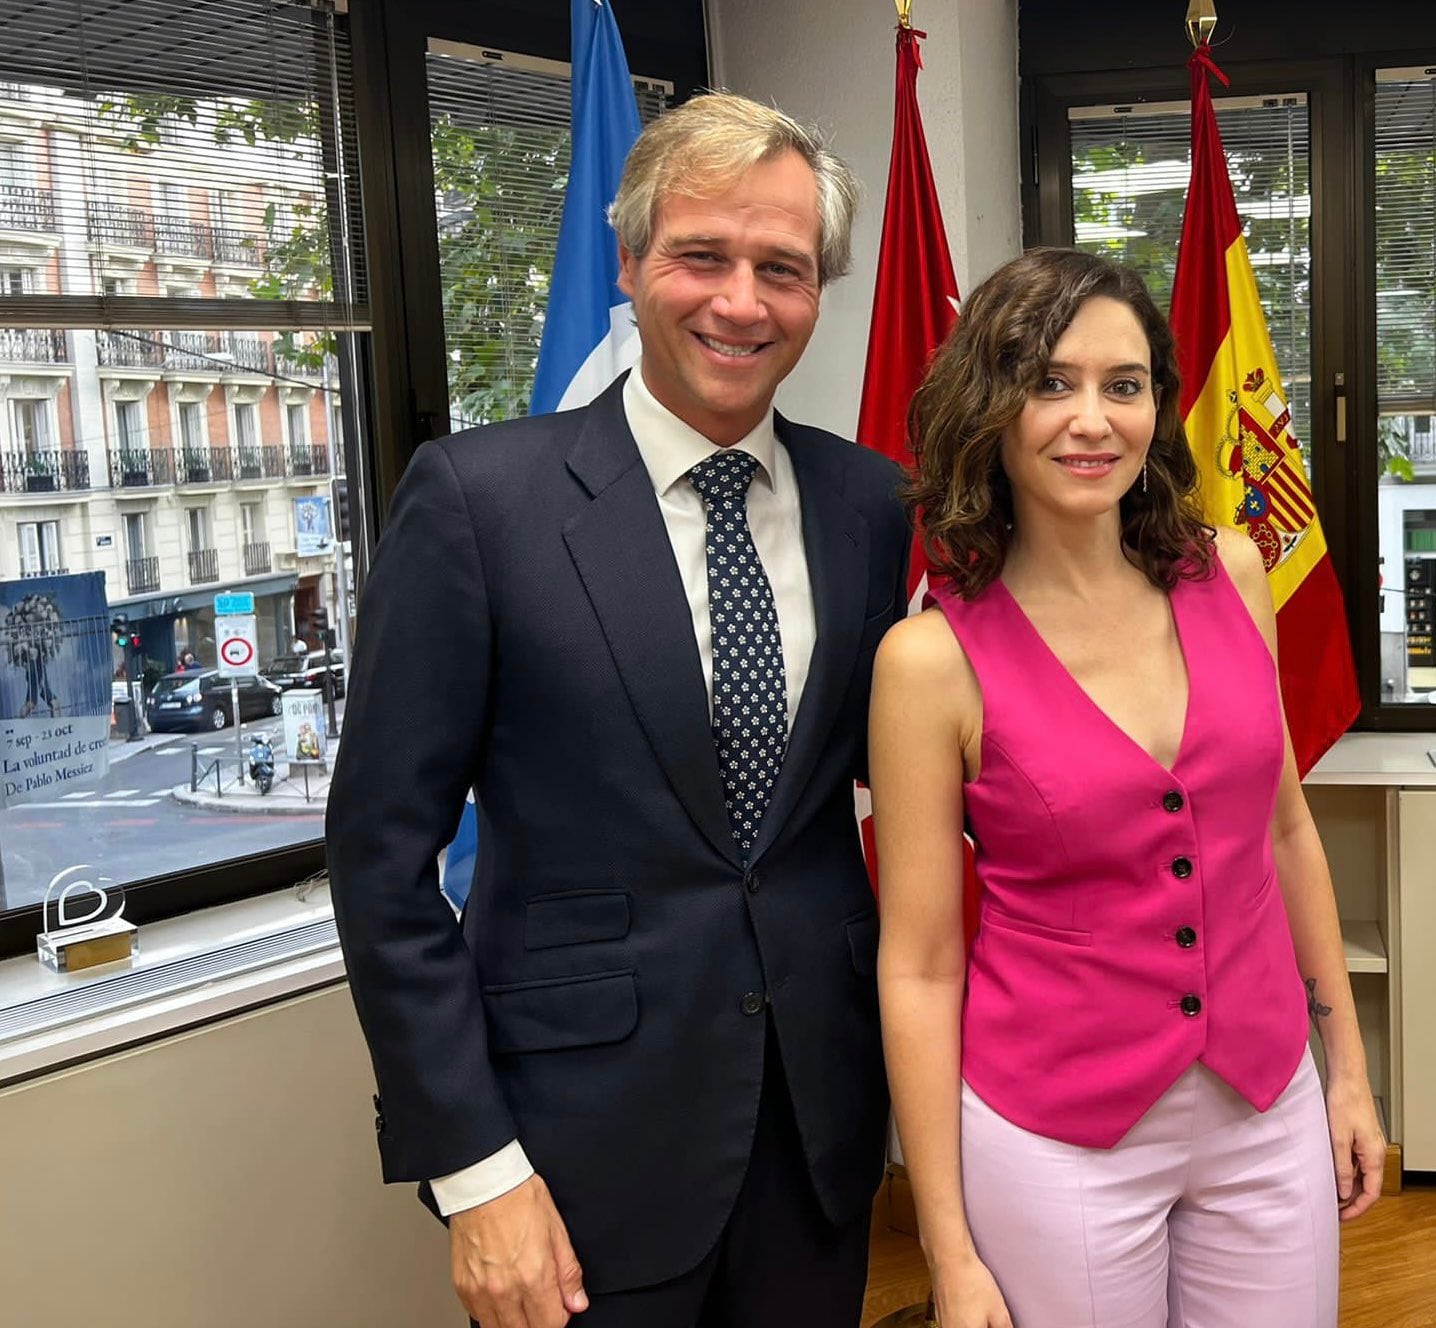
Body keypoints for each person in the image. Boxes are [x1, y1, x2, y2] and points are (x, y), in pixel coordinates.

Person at [327, 93, 909, 1328]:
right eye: (701, 255)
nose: (740, 301)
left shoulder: (871, 503)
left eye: (782, 268)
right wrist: (476, 1168)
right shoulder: (479, 503)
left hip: (818, 1142)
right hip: (569, 1159)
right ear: (633, 258)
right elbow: (381, 859)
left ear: (818, 291)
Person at [871, 249, 1384, 1328]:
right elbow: (918, 963)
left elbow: (1285, 829)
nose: (1090, 419)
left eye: (1123, 383)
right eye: (1050, 382)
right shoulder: (927, 661)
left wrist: (1343, 1068)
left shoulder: (1231, 572)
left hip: (1263, 1099)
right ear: (990, 408)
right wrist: (946, 1243)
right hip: (1056, 1137)